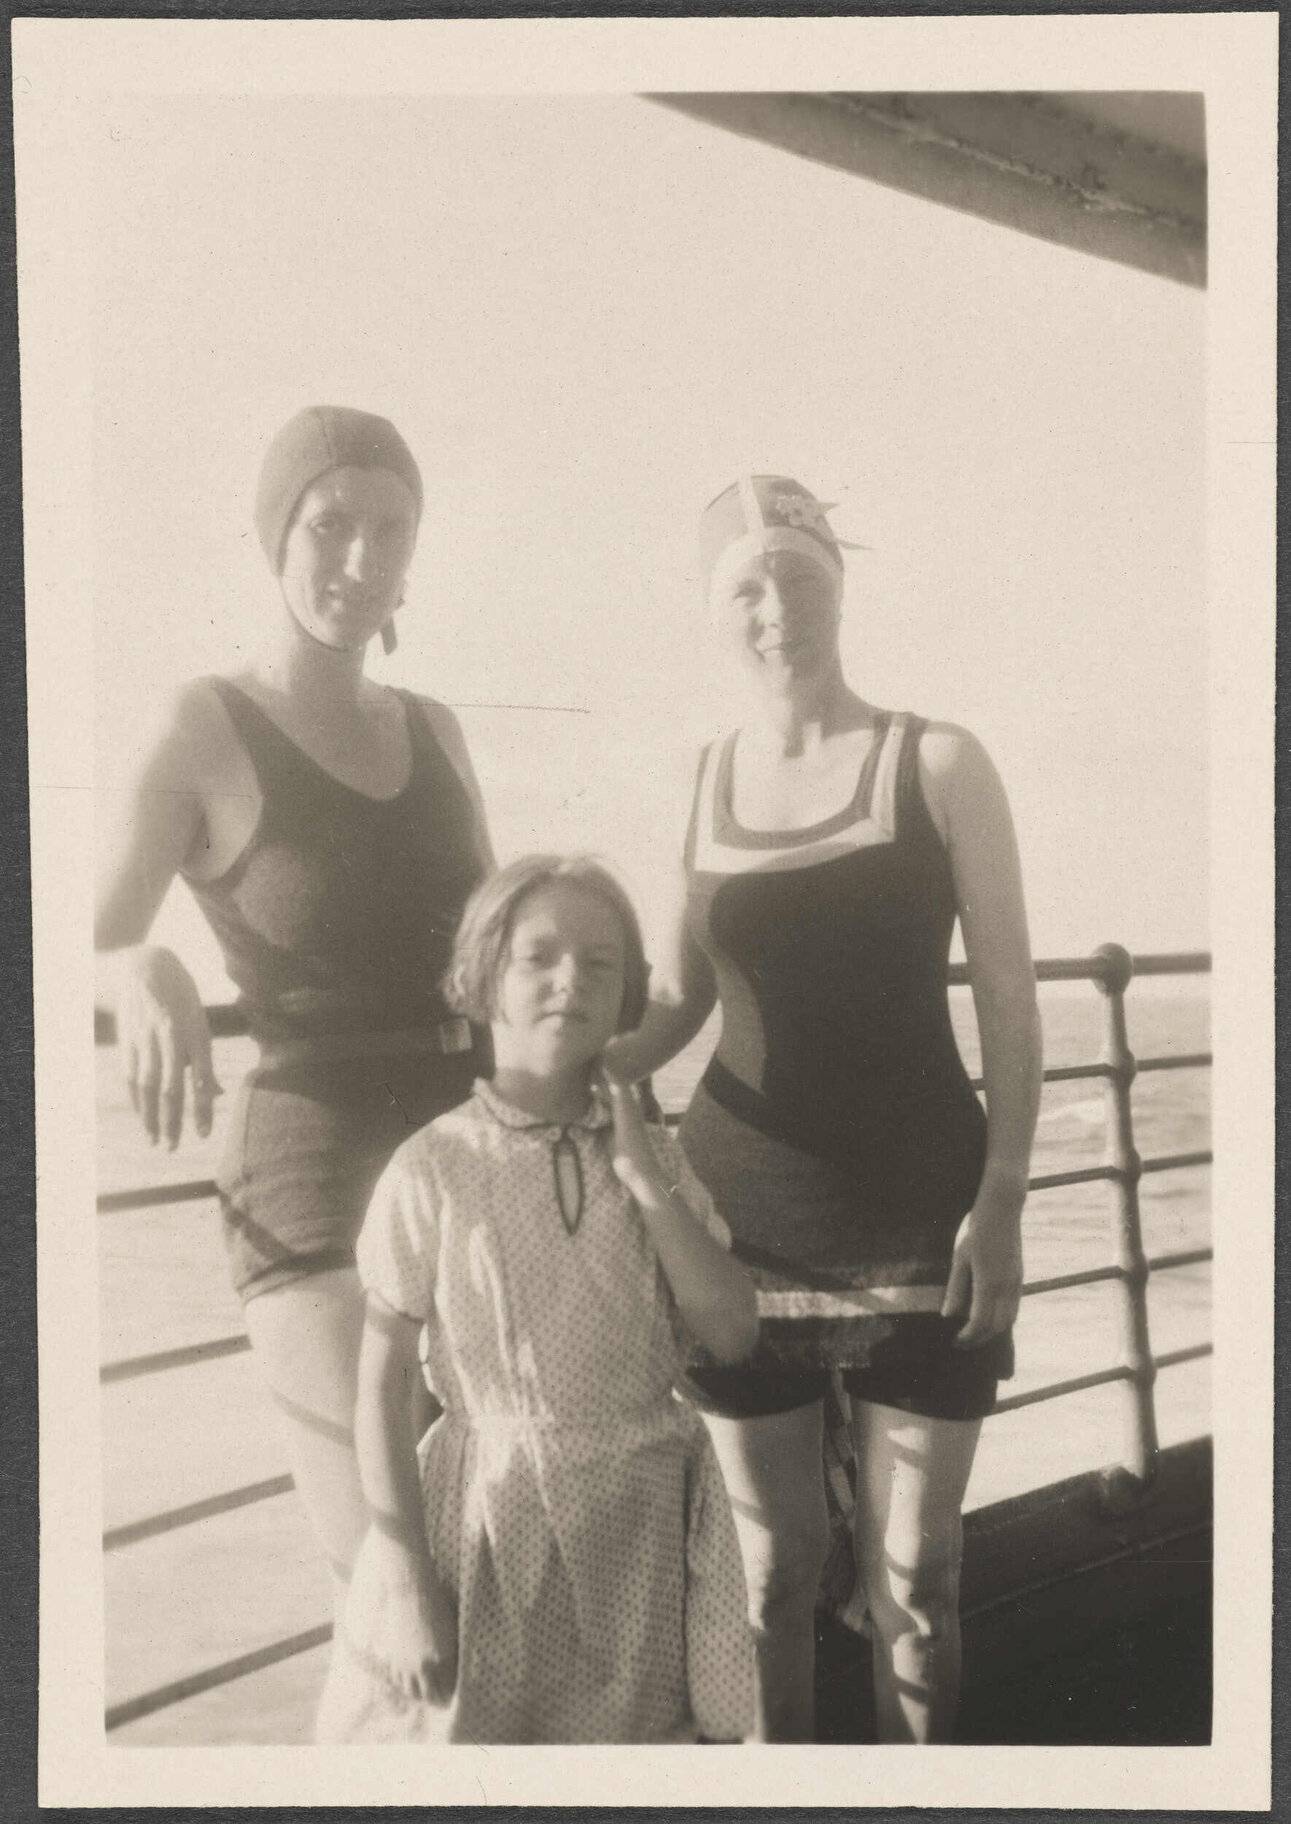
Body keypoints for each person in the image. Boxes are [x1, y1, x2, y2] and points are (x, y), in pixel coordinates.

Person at [606, 476, 1043, 1743]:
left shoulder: (940, 761)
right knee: (772, 1580)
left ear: (840, 584)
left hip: (925, 1223)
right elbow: (681, 1004)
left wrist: (1002, 1199)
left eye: (798, 572)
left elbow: (1011, 1004)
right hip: (743, 1239)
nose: (775, 604)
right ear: (711, 611)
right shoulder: (695, 783)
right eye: (743, 582)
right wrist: (571, 1058)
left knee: (922, 1579)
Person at [94, 406, 494, 1609]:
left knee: (498, 1566)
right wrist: (135, 965)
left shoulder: (437, 728)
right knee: (393, 1583)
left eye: (392, 529)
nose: (362, 561)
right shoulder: (202, 722)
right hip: (310, 1174)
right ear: (275, 535)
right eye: (331, 525)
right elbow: (85, 924)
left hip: (470, 1158)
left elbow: (493, 950)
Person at [314, 856, 757, 1744]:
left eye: (602, 964)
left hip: (636, 1522)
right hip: (483, 1521)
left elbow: (733, 1334)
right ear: (482, 977)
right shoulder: (435, 1165)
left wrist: (637, 1174)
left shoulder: (656, 1161)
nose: (571, 980)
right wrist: (401, 1567)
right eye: (538, 956)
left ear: (629, 992)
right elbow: (381, 1387)